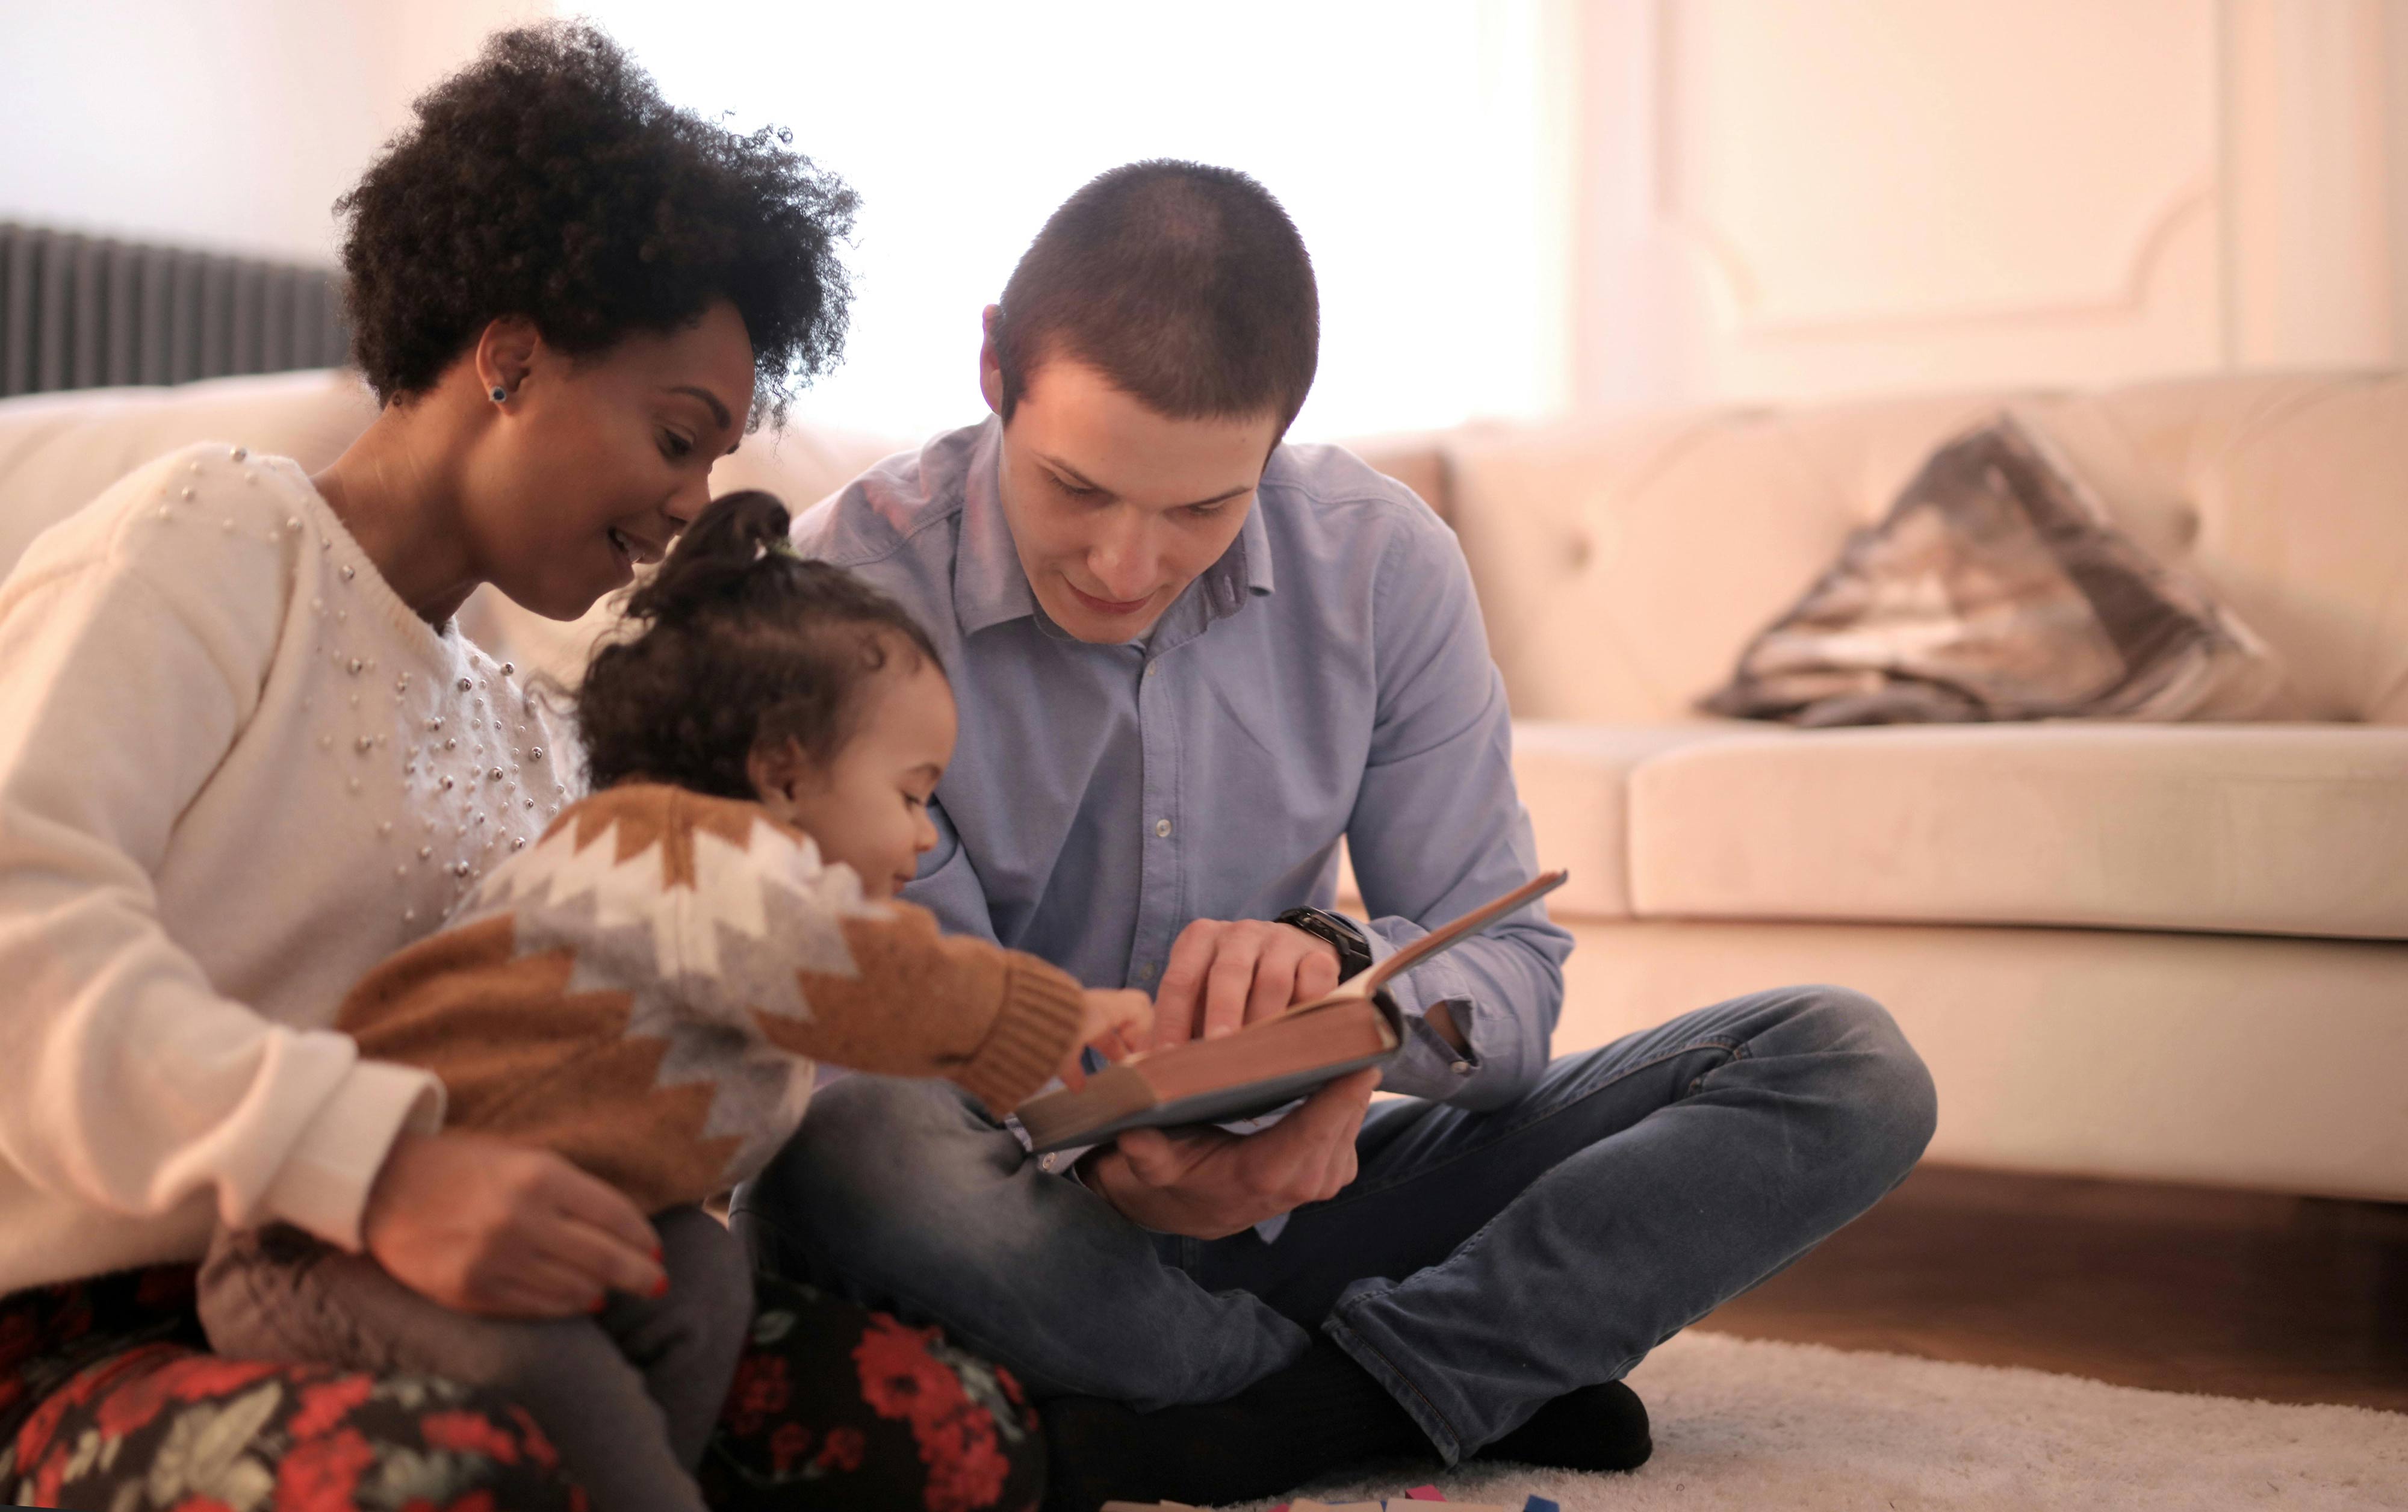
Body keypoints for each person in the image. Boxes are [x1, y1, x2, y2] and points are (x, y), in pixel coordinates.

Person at [737, 159, 1941, 1511]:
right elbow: (880, 1028)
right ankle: (1425, 1383)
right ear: (991, 368)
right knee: (847, 1154)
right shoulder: (837, 595)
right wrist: (1104, 1155)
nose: (1124, 565)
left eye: (1200, 506)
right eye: (1075, 486)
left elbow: (1510, 982)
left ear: (1277, 439)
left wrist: (1346, 1000)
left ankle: (1289, 1412)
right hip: (1007, 1221)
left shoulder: (1381, 563)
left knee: (1841, 1064)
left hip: (1304, 1196)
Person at [0, 24, 1045, 1512]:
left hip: (443, 1300)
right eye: (677, 437)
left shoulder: (531, 722)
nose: (691, 505)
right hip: (81, 1318)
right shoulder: (216, 540)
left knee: (945, 1433)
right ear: (509, 353)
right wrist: (381, 1168)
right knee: (467, 1475)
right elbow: (19, 931)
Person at [195, 489, 1153, 1512]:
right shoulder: (688, 861)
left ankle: (646, 1476)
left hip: (524, 1235)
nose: (925, 838)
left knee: (695, 1269)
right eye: (913, 795)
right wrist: (1042, 1016)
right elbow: (863, 970)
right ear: (783, 773)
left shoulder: (700, 896)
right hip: (317, 1253)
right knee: (556, 1381)